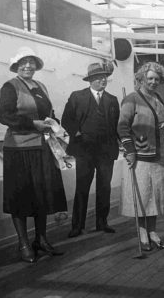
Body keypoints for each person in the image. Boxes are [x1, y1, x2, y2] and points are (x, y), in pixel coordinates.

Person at [0, 47, 67, 263]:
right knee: (20, 196)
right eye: (23, 62)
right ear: (16, 66)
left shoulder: (41, 86)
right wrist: (32, 124)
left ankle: (41, 240)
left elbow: (49, 113)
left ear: (36, 65)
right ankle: (24, 243)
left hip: (42, 147)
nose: (28, 65)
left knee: (42, 195)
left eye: (31, 62)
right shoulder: (10, 86)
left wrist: (53, 123)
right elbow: (3, 115)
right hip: (19, 149)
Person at [62, 61, 120, 238]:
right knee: (82, 188)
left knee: (105, 187)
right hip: (84, 151)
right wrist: (77, 133)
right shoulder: (77, 97)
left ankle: (102, 222)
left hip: (105, 152)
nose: (103, 80)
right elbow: (66, 120)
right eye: (99, 77)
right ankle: (77, 225)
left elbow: (117, 124)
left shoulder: (112, 100)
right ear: (91, 80)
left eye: (105, 77)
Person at [117, 62, 164, 251]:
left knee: (156, 195)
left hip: (160, 155)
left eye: (157, 79)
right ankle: (142, 232)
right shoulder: (132, 99)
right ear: (141, 79)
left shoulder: (158, 98)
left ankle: (153, 231)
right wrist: (130, 151)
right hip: (140, 155)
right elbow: (122, 127)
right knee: (143, 195)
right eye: (150, 78)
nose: (153, 82)